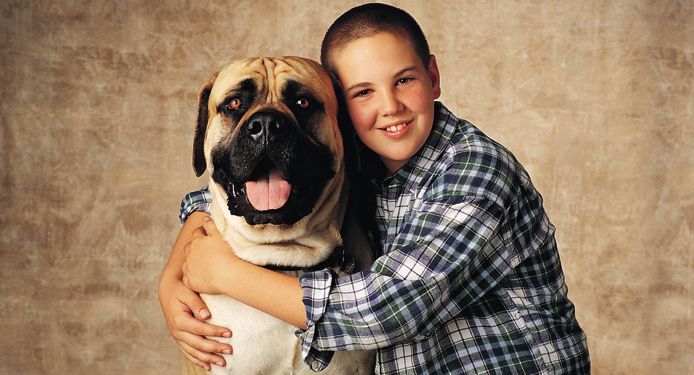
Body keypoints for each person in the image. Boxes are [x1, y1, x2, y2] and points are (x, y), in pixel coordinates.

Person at [159, 3, 590, 373]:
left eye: (404, 80)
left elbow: (387, 313)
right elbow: (225, 193)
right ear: (345, 113)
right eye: (364, 91)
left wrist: (222, 272)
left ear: (434, 77)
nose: (389, 106)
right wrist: (174, 271)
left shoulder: (476, 171)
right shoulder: (370, 159)